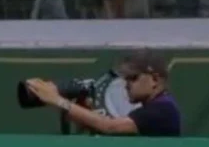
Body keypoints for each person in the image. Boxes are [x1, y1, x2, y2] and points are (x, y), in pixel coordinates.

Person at [24, 49, 181, 136]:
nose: (126, 85)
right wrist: (77, 112)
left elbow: (110, 127)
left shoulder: (163, 109)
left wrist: (57, 100)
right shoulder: (150, 110)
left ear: (154, 79)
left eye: (133, 78)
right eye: (125, 79)